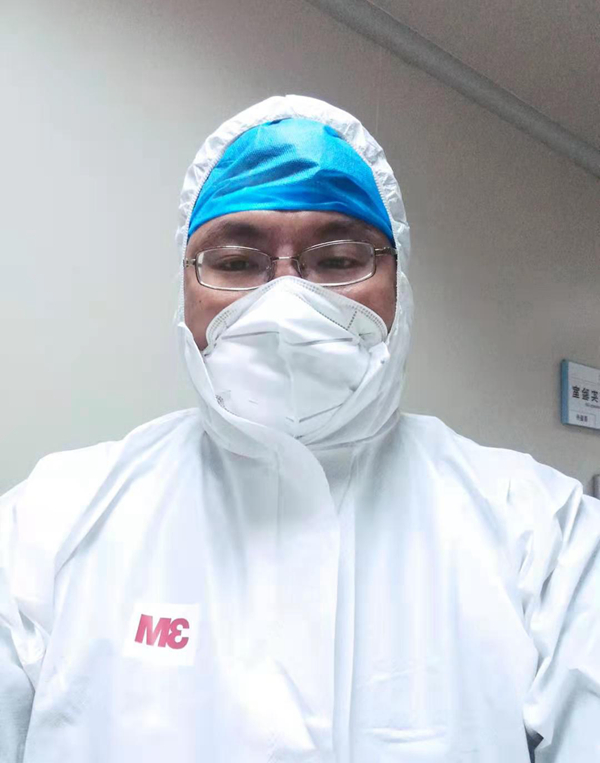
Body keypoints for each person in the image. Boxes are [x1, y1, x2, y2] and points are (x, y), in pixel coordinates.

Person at [1, 94, 599, 763]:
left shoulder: (546, 537)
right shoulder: (45, 528)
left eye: (338, 260)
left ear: (398, 285)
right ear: (187, 291)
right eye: (236, 263)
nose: (285, 298)